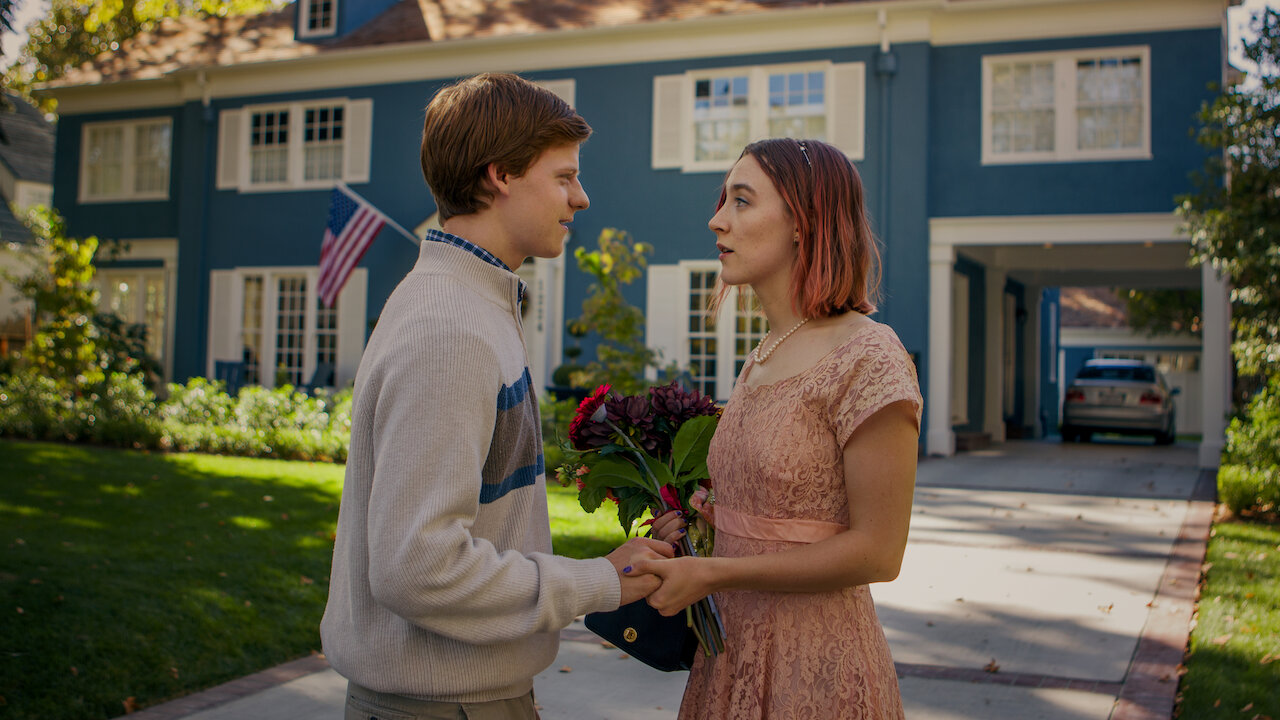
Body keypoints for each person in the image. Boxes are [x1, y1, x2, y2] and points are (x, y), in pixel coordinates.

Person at [320, 72, 673, 720]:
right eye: (563, 177)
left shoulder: (474, 306)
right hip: (442, 705)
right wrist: (601, 580)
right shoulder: (450, 329)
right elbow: (418, 566)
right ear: (501, 175)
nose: (582, 197)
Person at [638, 138, 923, 719]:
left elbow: (878, 552)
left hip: (817, 665)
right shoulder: (761, 353)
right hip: (730, 650)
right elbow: (782, 512)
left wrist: (714, 571)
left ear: (805, 221)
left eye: (742, 201)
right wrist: (699, 523)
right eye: (725, 200)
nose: (717, 218)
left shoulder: (869, 355)